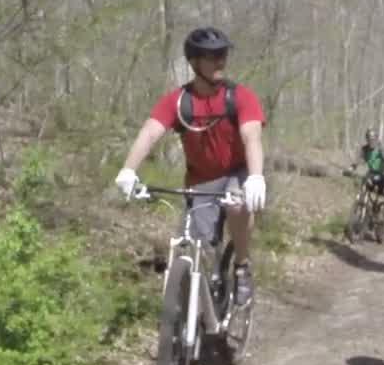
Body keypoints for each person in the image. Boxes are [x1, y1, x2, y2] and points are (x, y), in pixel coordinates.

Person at [113, 27, 268, 305]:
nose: (221, 61)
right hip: (201, 181)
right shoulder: (179, 102)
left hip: (237, 171)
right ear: (195, 62)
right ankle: (194, 315)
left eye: (223, 55)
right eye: (212, 56)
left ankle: (242, 267)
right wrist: (128, 170)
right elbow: (150, 132)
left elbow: (252, 136)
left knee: (237, 205)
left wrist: (256, 177)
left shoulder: (240, 96)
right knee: (195, 247)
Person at [356, 129, 384, 193]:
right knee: (364, 181)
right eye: (369, 139)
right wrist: (353, 167)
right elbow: (359, 160)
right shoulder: (365, 149)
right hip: (371, 173)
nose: (371, 141)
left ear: (376, 139)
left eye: (373, 139)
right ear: (367, 140)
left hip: (382, 174)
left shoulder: (381, 147)